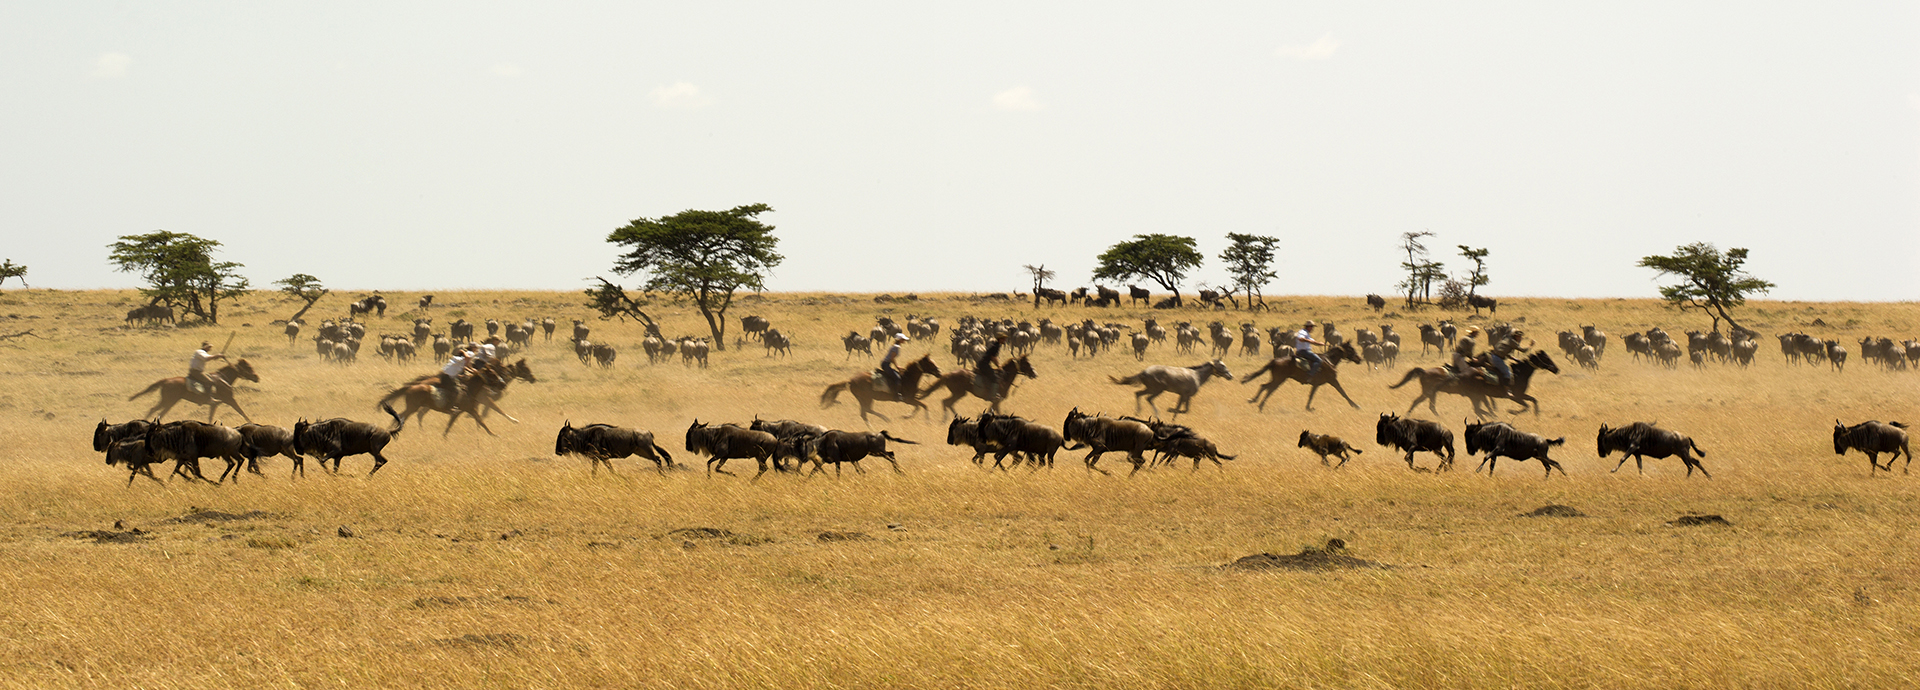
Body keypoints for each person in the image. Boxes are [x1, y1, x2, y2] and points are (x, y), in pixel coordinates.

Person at [975, 333, 1008, 400]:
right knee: (995, 378)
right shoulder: (996, 346)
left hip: (983, 363)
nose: (1005, 340)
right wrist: (999, 366)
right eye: (1004, 339)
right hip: (984, 365)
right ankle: (993, 396)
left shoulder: (996, 344)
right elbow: (993, 357)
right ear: (1000, 339)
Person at [880, 333, 909, 401]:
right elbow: (892, 358)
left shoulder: (895, 346)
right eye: (903, 339)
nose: (904, 340)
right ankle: (896, 395)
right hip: (886, 364)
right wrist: (897, 367)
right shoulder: (896, 347)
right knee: (897, 378)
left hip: (885, 364)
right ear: (900, 340)